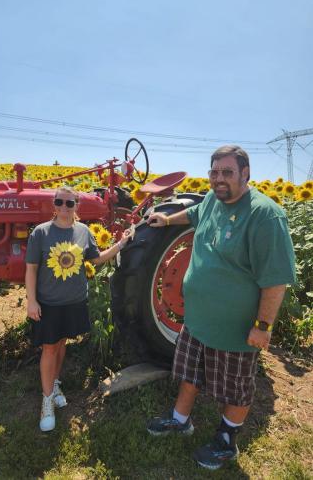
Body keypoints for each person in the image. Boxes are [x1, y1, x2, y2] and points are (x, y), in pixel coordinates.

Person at [146, 145, 296, 470]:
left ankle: (227, 441)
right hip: (197, 318)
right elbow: (194, 214)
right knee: (190, 374)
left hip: (235, 329)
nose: (219, 179)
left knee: (236, 387)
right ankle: (180, 420)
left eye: (227, 172)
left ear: (246, 174)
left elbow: (276, 281)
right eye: (214, 172)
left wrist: (263, 327)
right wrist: (165, 219)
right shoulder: (213, 199)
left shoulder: (264, 215)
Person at [25, 186, 130, 432]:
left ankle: (55, 383)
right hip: (48, 302)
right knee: (49, 348)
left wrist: (121, 244)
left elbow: (95, 259)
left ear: (76, 207)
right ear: (54, 204)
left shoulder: (83, 232)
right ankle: (47, 400)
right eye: (59, 202)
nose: (63, 207)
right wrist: (32, 300)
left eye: (69, 203)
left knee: (61, 344)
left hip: (73, 301)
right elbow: (30, 269)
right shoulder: (41, 233)